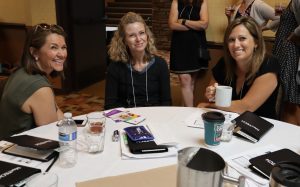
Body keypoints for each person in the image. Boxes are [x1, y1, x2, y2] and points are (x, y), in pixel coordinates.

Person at [197, 17, 280, 119]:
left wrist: (210, 105)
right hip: (230, 124)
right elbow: (211, 97)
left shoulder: (269, 64)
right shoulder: (224, 63)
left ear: (256, 42)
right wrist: (211, 95)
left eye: (242, 38)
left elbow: (246, 106)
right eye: (231, 40)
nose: (236, 45)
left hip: (261, 127)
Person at [0, 23, 66, 139]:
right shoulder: (40, 89)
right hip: (17, 152)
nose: (62, 54)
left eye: (63, 47)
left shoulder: (20, 72)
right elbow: (52, 136)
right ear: (34, 52)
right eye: (53, 47)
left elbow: (57, 113)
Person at [104, 12, 172, 109]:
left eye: (141, 33)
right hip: (126, 120)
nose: (138, 39)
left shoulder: (161, 65)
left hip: (155, 118)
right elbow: (109, 106)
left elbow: (166, 102)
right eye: (132, 35)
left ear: (147, 35)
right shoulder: (115, 68)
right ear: (124, 40)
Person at [169, 0, 209, 107]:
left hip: (196, 47)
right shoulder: (176, 2)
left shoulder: (202, 2)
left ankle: (184, 111)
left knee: (190, 83)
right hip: (180, 47)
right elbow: (172, 25)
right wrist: (195, 26)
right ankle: (191, 113)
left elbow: (204, 24)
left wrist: (183, 21)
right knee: (185, 80)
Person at [272, 0, 300, 125]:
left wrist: (294, 35)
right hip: (284, 51)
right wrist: (265, 27)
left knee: (290, 99)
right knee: (286, 98)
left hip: (289, 52)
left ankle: (292, 139)